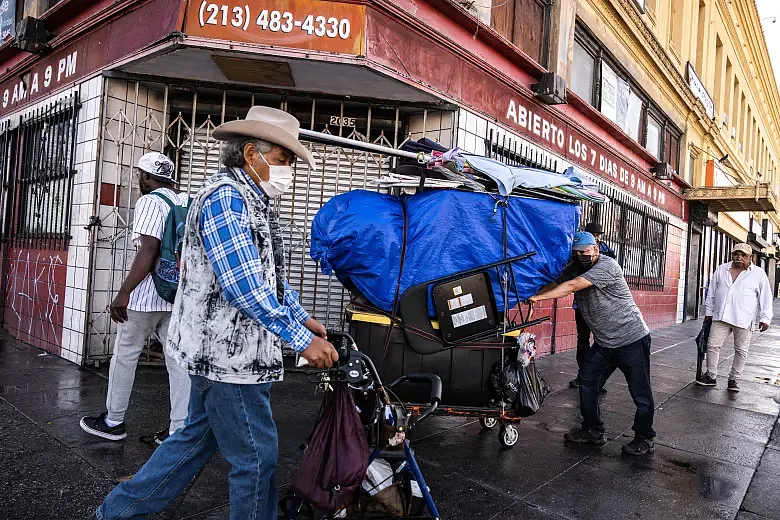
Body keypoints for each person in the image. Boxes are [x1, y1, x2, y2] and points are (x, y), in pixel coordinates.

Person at [92, 106, 339, 520]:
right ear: (250, 154)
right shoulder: (227, 198)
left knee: (190, 444)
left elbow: (265, 275)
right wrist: (300, 341)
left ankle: (115, 512)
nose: (288, 171)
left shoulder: (251, 199)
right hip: (228, 360)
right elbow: (242, 284)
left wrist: (301, 316)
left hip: (221, 356)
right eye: (283, 160)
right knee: (257, 460)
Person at [80, 152, 192, 445]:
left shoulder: (149, 201)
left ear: (145, 176)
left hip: (147, 296)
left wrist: (124, 292)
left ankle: (113, 421)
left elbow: (149, 249)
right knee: (178, 361)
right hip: (178, 293)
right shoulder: (187, 201)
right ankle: (177, 431)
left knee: (126, 354)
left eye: (139, 175)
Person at [530, 231, 655, 456]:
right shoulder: (575, 266)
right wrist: (529, 294)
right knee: (588, 383)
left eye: (584, 252)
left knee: (640, 393)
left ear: (596, 249)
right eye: (576, 253)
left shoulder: (608, 266)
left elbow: (572, 286)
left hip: (631, 339)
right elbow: (555, 283)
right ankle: (592, 430)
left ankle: (644, 438)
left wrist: (538, 299)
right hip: (605, 343)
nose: (580, 256)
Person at [697, 243, 772, 392]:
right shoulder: (722, 269)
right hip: (721, 316)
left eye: (743, 255)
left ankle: (733, 379)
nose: (739, 258)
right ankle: (711, 376)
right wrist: (709, 313)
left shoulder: (758, 274)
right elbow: (712, 291)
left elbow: (766, 297)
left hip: (744, 318)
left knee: (741, 350)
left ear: (750, 257)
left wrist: (765, 318)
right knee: (712, 346)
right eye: (736, 254)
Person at [556, 222, 616, 389]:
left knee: (601, 342)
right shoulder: (578, 250)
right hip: (582, 304)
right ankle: (583, 375)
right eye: (594, 235)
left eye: (598, 235)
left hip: (600, 305)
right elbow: (566, 275)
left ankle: (597, 378)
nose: (596, 238)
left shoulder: (603, 251)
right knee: (583, 341)